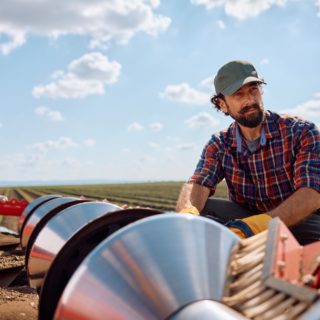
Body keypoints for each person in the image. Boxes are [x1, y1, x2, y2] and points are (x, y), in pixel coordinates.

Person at [176, 60, 320, 245]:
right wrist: (187, 215)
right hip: (247, 217)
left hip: (298, 220)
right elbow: (198, 184)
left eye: (253, 90)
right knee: (200, 210)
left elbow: (312, 192)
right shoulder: (219, 144)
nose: (250, 100)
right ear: (222, 105)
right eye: (239, 94)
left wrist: (258, 226)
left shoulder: (301, 131)